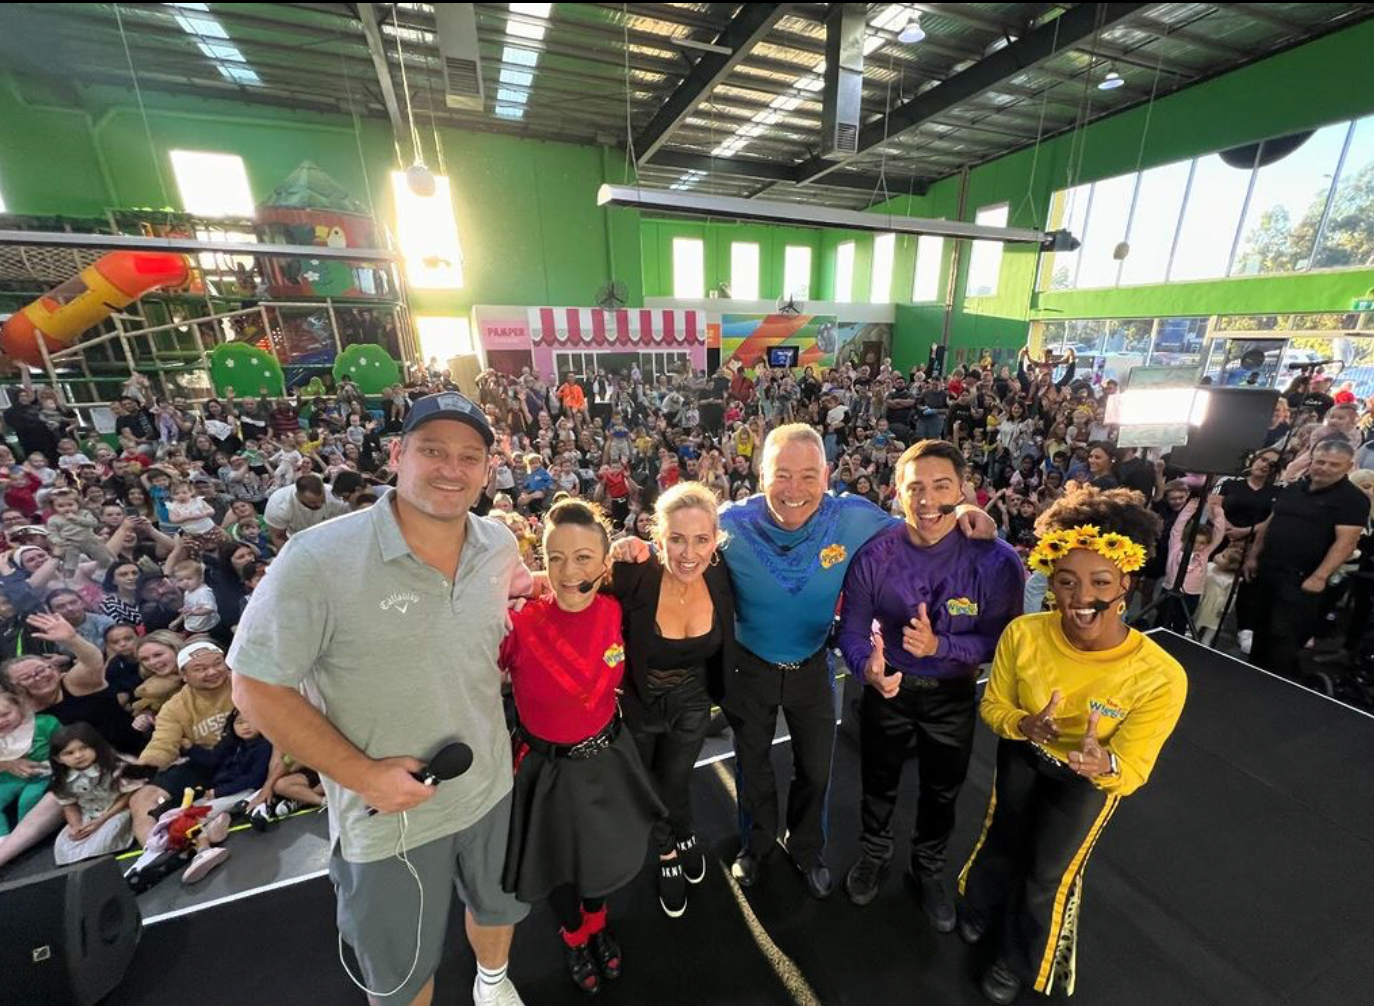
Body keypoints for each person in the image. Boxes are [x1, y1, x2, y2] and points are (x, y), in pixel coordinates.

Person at [230, 391, 530, 1006]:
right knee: (399, 976)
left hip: (492, 787)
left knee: (499, 906)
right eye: (432, 450)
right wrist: (362, 775)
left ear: (487, 471)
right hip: (388, 816)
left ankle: (492, 984)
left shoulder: (498, 547)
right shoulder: (316, 558)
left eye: (469, 456)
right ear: (397, 454)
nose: (451, 468)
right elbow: (255, 686)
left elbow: (518, 600)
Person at [613, 424, 994, 900]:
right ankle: (755, 847)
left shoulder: (855, 518)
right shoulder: (730, 523)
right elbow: (681, 545)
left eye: (808, 476)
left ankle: (807, 848)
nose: (794, 490)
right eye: (782, 475)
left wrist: (965, 510)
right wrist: (633, 550)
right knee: (753, 768)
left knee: (816, 771)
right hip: (747, 670)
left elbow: (923, 524)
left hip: (814, 668)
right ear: (759, 473)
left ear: (828, 473)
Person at [960, 487, 1187, 1004]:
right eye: (1066, 581)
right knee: (1001, 835)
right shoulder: (1023, 634)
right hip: (1023, 753)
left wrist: (1102, 761)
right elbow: (993, 708)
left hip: (1085, 779)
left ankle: (1019, 959)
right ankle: (979, 906)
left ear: (1125, 583)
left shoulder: (1160, 676)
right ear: (1050, 583)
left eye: (1100, 582)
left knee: (1047, 872)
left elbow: (1132, 771)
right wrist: (1024, 725)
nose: (1082, 597)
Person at [836, 440, 1024, 926]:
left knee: (943, 791)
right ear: (896, 493)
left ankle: (928, 868)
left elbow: (1004, 643)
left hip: (954, 697)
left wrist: (942, 648)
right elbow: (852, 631)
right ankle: (874, 856)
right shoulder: (874, 556)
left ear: (963, 490)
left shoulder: (997, 561)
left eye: (941, 486)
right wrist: (866, 668)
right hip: (887, 692)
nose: (926, 499)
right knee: (877, 784)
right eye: (914, 487)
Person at [501, 498, 662, 994]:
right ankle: (576, 936)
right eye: (555, 558)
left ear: (604, 562)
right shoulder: (519, 622)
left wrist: (646, 548)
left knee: (600, 856)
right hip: (545, 770)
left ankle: (598, 924)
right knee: (559, 867)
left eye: (584, 558)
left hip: (607, 757)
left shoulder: (616, 611)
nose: (568, 572)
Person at [608, 482, 735, 918]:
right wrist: (615, 547)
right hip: (638, 704)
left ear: (716, 539)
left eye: (702, 539)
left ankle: (683, 831)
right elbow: (573, 579)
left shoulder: (722, 572)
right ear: (657, 535)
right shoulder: (635, 573)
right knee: (647, 785)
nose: (689, 553)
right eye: (677, 538)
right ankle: (667, 851)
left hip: (693, 703)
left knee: (675, 780)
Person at [1242, 440, 1368, 679]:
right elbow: (1270, 523)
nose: (1325, 468)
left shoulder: (1353, 499)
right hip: (1268, 568)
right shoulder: (1293, 489)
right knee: (1260, 626)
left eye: (1333, 464)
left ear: (1348, 466)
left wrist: (1320, 576)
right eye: (1320, 461)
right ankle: (1251, 675)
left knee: (1284, 635)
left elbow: (1346, 542)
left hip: (1302, 577)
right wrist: (1253, 556)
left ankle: (1275, 686)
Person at [125, 640, 236, 847]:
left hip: (249, 755)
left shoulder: (245, 684)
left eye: (218, 663)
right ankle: (156, 849)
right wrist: (143, 768)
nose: (212, 672)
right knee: (143, 797)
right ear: (184, 675)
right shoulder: (174, 707)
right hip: (206, 762)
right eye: (200, 669)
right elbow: (163, 744)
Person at [48, 721, 144, 864]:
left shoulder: (116, 767)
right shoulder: (62, 779)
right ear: (58, 759)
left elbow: (127, 797)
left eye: (84, 748)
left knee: (108, 834)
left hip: (116, 811)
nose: (78, 755)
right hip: (89, 814)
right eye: (69, 753)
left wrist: (101, 820)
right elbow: (69, 806)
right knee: (65, 844)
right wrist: (76, 826)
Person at [0, 687, 56, 838]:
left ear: (20, 708)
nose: (1, 721)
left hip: (43, 773)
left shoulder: (44, 723)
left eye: (6, 714)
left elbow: (64, 744)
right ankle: (2, 838)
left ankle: (24, 836)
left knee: (28, 800)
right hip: (9, 778)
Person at [262, 474, 350, 551]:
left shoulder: (332, 495)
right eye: (312, 502)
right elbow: (278, 537)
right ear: (298, 495)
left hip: (329, 535)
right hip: (297, 540)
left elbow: (349, 519)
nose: (319, 505)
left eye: (322, 500)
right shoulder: (279, 504)